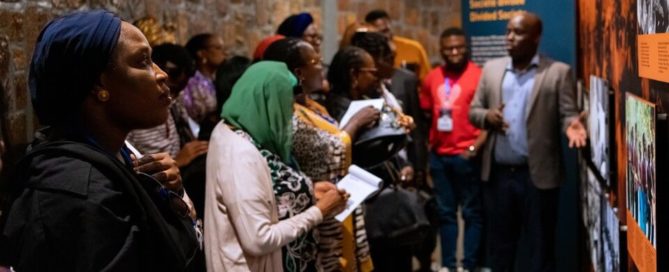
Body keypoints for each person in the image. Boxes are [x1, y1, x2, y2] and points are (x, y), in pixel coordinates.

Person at [0, 10, 202, 270]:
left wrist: (169, 193)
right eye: (142, 62)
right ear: (98, 86)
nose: (161, 74)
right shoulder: (80, 197)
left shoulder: (119, 153)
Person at [468, 12, 587, 272]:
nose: (510, 37)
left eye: (518, 32)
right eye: (508, 31)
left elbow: (568, 113)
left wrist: (572, 125)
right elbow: (473, 111)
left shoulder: (557, 73)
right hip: (498, 177)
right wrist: (488, 116)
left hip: (538, 178)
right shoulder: (491, 69)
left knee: (541, 249)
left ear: (536, 38)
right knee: (500, 249)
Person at [204, 61, 348, 272]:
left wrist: (308, 191)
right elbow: (259, 239)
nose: (289, 114)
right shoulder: (240, 154)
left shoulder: (231, 128)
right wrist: (319, 211)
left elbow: (258, 195)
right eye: (285, 106)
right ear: (267, 103)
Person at [264, 38, 379, 272]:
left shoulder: (313, 105)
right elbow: (327, 150)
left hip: (340, 198)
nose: (321, 65)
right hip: (319, 207)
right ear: (299, 73)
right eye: (315, 61)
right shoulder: (288, 113)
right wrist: (356, 122)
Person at [421, 27, 486, 272]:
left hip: (466, 155)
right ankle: (448, 265)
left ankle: (468, 265)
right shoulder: (433, 77)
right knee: (445, 213)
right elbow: (427, 111)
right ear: (441, 50)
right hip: (440, 156)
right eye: (449, 48)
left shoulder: (478, 75)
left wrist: (474, 147)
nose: (455, 52)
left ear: (466, 47)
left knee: (471, 213)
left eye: (459, 47)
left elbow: (488, 118)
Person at [126, 43, 209, 218]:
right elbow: (138, 170)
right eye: (144, 64)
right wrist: (178, 160)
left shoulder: (172, 103)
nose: (173, 94)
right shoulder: (136, 112)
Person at [365, 9, 430, 81]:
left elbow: (427, 81)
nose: (384, 37)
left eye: (386, 30)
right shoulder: (365, 52)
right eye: (380, 32)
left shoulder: (414, 48)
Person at [182, 33, 226, 124]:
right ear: (201, 53)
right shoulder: (192, 82)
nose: (224, 53)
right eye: (218, 48)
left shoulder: (217, 77)